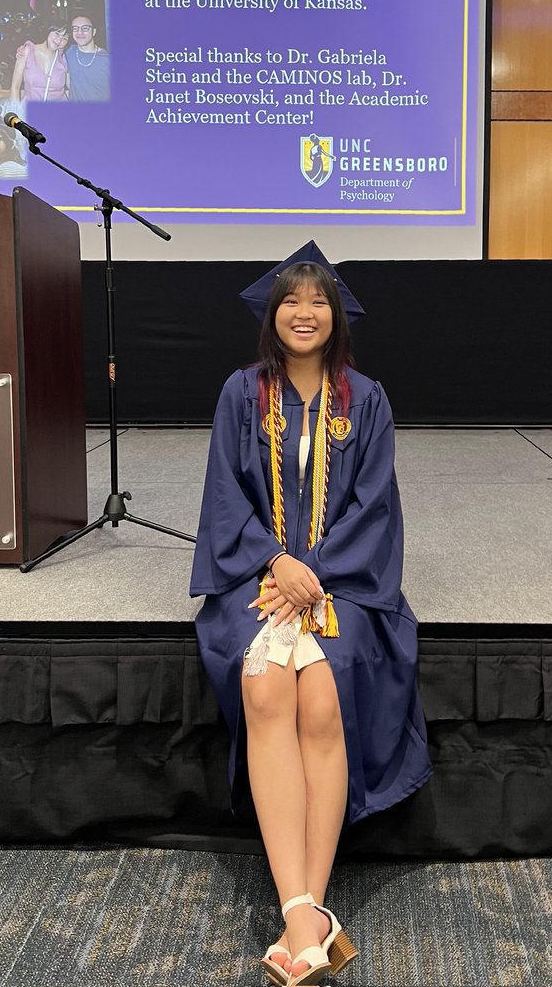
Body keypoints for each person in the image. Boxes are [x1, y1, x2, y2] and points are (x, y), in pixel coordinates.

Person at [189, 241, 431, 987]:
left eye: (318, 300)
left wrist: (314, 573)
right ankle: (308, 919)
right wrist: (276, 562)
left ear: (336, 316)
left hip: (343, 584)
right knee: (265, 686)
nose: (304, 312)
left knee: (322, 694)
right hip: (257, 577)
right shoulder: (241, 394)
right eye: (291, 301)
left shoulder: (368, 399)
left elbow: (374, 510)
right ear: (274, 315)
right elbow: (225, 498)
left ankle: (303, 911)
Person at [10, 17, 70, 102]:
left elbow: (74, 87)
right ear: (48, 32)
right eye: (57, 34)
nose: (59, 40)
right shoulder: (27, 51)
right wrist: (15, 112)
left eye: (65, 38)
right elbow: (15, 86)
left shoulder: (65, 58)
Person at [65, 13, 110, 101]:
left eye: (85, 28)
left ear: (94, 32)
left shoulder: (107, 60)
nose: (79, 32)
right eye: (75, 28)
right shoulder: (69, 52)